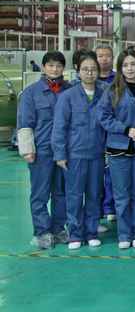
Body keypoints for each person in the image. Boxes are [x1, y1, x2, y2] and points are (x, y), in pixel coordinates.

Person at [52, 54, 106, 250]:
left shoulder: (105, 94)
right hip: (75, 155)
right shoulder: (68, 96)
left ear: (98, 72)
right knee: (74, 195)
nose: (90, 73)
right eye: (85, 69)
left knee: (94, 194)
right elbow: (59, 127)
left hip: (97, 154)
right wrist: (60, 154)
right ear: (78, 72)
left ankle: (91, 232)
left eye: (93, 69)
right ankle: (75, 234)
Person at [17, 51, 70, 249]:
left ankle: (58, 229)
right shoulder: (31, 93)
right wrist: (27, 149)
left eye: (59, 66)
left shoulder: (70, 90)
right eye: (51, 65)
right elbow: (24, 122)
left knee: (61, 192)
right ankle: (41, 232)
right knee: (40, 193)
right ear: (44, 67)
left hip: (64, 151)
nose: (55, 69)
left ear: (63, 68)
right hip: (41, 151)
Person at [95, 48, 135, 250]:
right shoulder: (112, 90)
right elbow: (103, 116)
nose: (130, 68)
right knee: (122, 195)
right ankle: (124, 234)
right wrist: (126, 130)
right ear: (120, 68)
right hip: (118, 148)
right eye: (125, 65)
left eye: (133, 64)